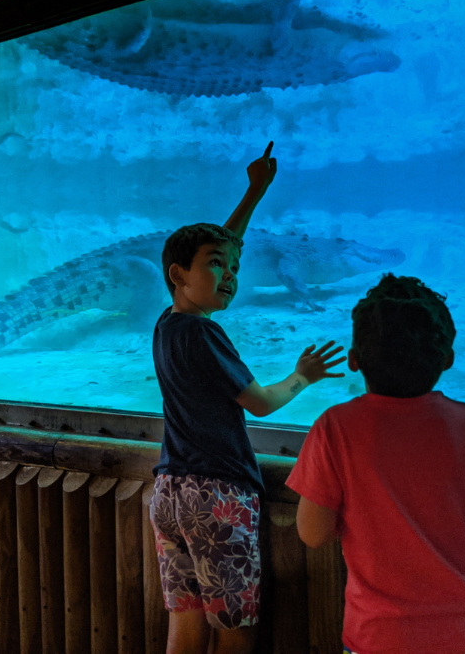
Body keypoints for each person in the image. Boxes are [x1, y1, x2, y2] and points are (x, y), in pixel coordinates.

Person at [149, 142, 347, 654]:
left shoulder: (167, 326)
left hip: (171, 493)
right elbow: (259, 402)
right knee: (234, 628)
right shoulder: (204, 334)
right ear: (179, 275)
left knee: (186, 627)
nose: (231, 276)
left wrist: (254, 191)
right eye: (219, 268)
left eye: (235, 268)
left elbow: (220, 247)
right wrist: (302, 376)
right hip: (217, 497)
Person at [286, 273, 465, 654]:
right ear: (448, 359)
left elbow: (312, 532)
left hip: (377, 638)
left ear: (354, 361)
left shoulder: (333, 428)